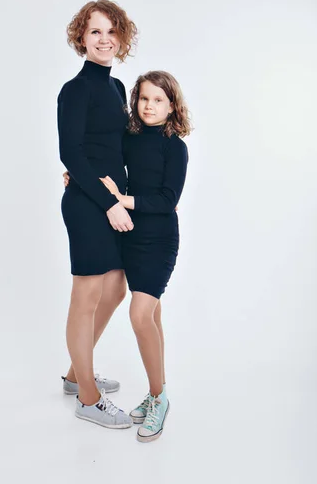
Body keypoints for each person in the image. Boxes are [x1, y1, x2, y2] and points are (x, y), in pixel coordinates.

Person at [65, 70, 192, 442]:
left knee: (140, 315)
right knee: (151, 314)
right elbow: (99, 159)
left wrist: (124, 201)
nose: (149, 106)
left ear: (172, 106)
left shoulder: (175, 147)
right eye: (144, 99)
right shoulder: (129, 137)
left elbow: (168, 201)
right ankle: (95, 379)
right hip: (128, 236)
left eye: (158, 100)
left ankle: (159, 396)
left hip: (159, 241)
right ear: (135, 101)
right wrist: (75, 174)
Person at [57, 0, 138, 429]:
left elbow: (118, 149)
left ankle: (76, 373)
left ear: (121, 38)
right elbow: (70, 150)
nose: (104, 38)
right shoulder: (75, 90)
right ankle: (87, 398)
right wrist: (107, 202)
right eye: (94, 31)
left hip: (112, 201)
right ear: (81, 39)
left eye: (111, 31)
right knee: (86, 295)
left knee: (117, 288)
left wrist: (138, 197)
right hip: (89, 205)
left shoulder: (117, 88)